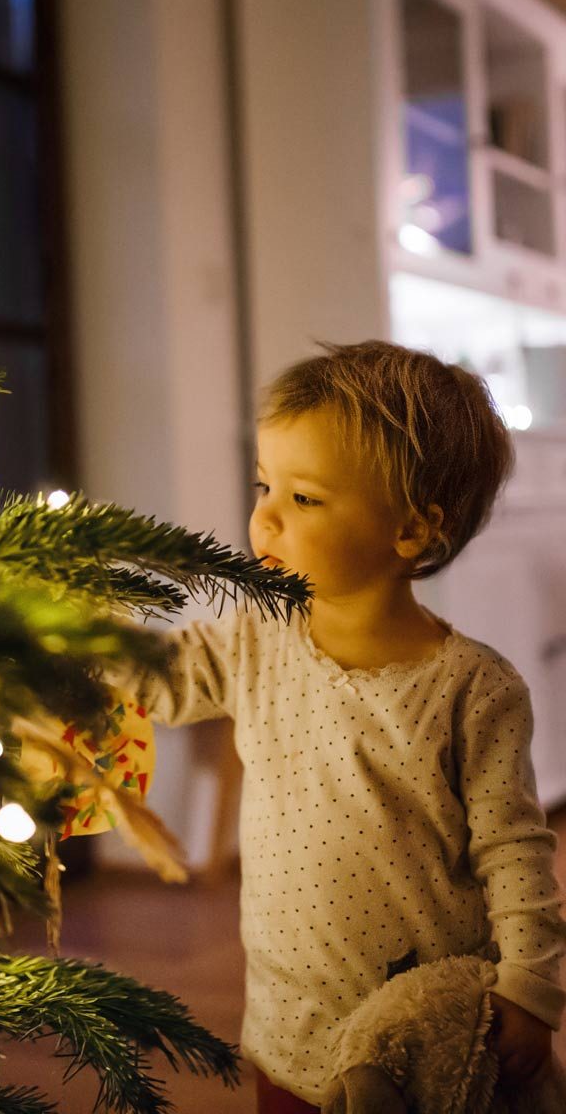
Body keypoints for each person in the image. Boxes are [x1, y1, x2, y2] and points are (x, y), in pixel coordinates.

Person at [145, 341, 565, 1112]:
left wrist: (532, 989)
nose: (263, 516)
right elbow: (156, 679)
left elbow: (515, 848)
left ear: (411, 529)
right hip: (285, 1022)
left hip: (420, 1037)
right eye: (264, 485)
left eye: (302, 499)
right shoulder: (252, 640)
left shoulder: (471, 686)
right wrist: (56, 650)